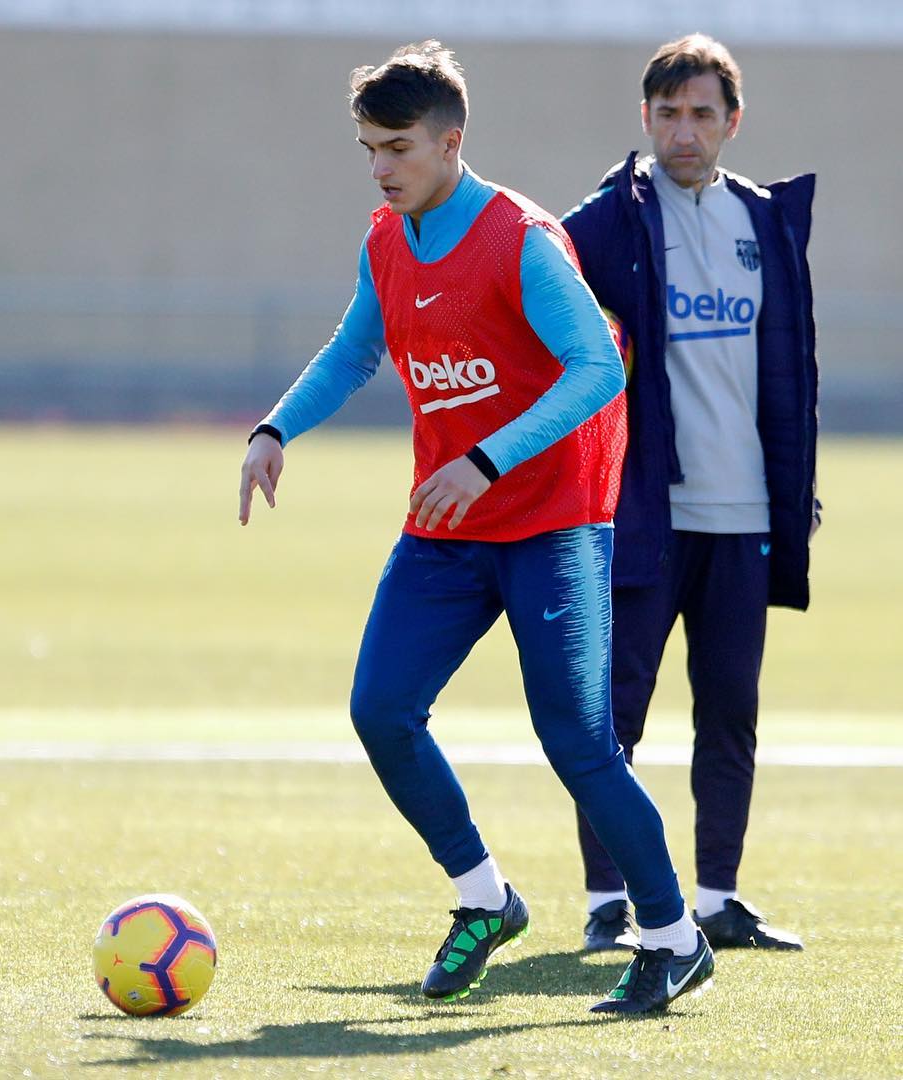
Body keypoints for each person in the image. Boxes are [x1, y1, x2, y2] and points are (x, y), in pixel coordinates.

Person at [239, 40, 714, 1014]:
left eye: (399, 147)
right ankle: (485, 900)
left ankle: (672, 935)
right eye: (369, 146)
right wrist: (276, 425)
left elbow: (595, 369)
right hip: (448, 531)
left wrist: (489, 455)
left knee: (579, 745)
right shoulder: (386, 237)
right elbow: (354, 349)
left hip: (552, 526)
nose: (380, 166)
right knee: (380, 710)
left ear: (452, 142)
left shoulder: (521, 241)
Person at [561, 34, 817, 954]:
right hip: (642, 518)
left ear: (732, 122)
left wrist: (798, 493)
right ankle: (606, 903)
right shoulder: (601, 227)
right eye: (667, 113)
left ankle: (717, 900)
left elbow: (789, 377)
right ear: (645, 118)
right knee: (613, 714)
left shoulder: (767, 222)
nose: (683, 130)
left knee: (731, 712)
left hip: (743, 515)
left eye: (702, 113)